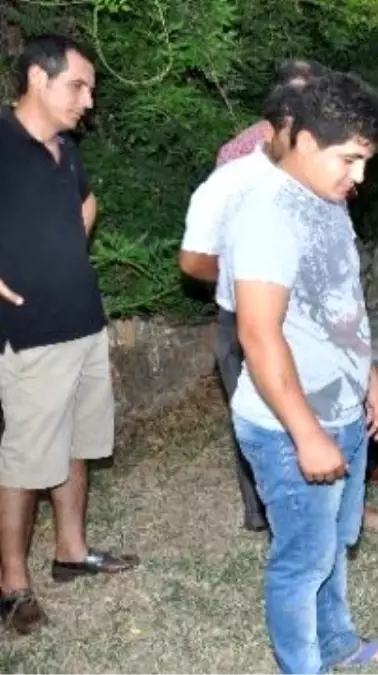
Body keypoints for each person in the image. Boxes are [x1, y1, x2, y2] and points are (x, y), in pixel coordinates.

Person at [221, 70, 378, 672]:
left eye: (366, 161)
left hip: (343, 411)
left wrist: (370, 381)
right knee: (302, 560)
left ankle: (340, 647)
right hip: (287, 426)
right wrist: (307, 434)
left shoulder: (328, 204)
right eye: (350, 159)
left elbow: (339, 310)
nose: (360, 176)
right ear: (304, 141)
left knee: (332, 547)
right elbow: (257, 331)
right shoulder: (269, 213)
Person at [0, 34, 139, 636]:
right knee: (27, 461)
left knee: (80, 444)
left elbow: (88, 203)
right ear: (37, 77)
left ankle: (71, 553)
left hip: (84, 322)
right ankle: (11, 585)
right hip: (29, 334)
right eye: (77, 86)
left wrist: (64, 253)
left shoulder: (65, 149)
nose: (88, 100)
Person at [181, 73, 313, 532]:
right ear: (274, 127)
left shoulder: (315, 181)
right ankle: (261, 510)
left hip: (305, 317)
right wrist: (254, 278)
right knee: (256, 413)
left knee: (306, 404)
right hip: (243, 319)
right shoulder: (230, 180)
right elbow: (194, 261)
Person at [214, 59, 327, 167]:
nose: (297, 102)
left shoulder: (333, 145)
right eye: (291, 94)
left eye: (304, 96)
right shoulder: (237, 153)